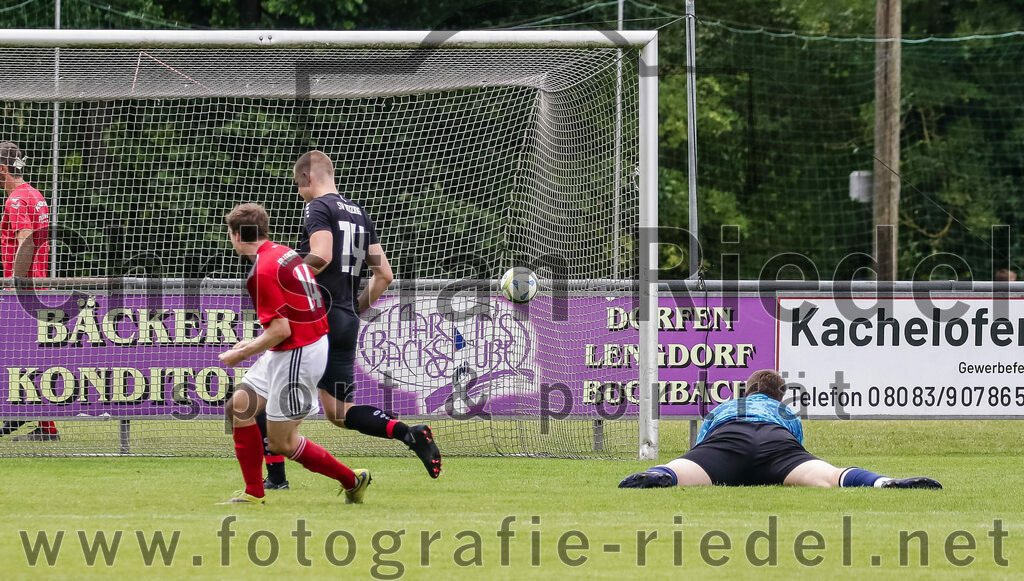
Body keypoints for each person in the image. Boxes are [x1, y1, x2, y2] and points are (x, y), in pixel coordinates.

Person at [257, 150, 441, 490]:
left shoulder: (317, 207)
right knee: (339, 412)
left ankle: (277, 478)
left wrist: (281, 274)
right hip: (344, 318)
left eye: (300, 187)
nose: (301, 193)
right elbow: (384, 274)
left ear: (308, 180)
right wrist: (353, 311)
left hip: (314, 317)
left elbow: (322, 255)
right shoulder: (359, 213)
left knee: (258, 393)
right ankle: (408, 433)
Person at [218, 203, 370, 504]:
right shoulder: (284, 253)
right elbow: (288, 320)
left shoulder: (261, 271)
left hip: (299, 352)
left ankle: (353, 480)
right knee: (239, 407)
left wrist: (243, 352)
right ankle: (253, 493)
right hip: (296, 347)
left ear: (237, 235)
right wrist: (251, 343)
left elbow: (282, 330)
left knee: (282, 442)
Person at [619, 369, 942, 489]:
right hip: (777, 445)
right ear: (780, 395)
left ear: (747, 390)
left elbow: (705, 441)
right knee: (830, 476)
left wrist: (709, 461)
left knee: (681, 471)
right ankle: (882, 482)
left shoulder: (727, 406)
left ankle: (657, 475)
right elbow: (795, 444)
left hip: (730, 438)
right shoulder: (785, 411)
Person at [0, 141, 58, 442]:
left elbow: (24, 240)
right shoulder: (35, 194)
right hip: (40, 285)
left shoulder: (14, 200)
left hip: (23, 289)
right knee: (32, 356)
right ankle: (38, 423)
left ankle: (21, 416)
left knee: (19, 356)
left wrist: (15, 283)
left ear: (3, 169)